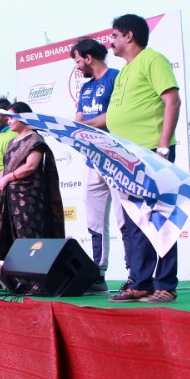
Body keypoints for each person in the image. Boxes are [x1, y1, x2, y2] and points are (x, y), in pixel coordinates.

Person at [105, 14, 182, 304]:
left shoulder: (153, 59)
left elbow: (171, 100)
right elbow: (116, 114)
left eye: (114, 35)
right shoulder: (124, 71)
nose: (110, 41)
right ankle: (140, 283)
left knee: (159, 217)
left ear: (129, 36)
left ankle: (166, 284)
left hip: (152, 152)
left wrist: (163, 147)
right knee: (134, 220)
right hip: (126, 158)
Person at [0, 102, 66, 261]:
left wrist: (8, 178)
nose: (8, 121)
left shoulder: (35, 139)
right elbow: (6, 170)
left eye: (11, 118)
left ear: (23, 118)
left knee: (29, 236)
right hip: (10, 198)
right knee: (10, 236)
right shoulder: (13, 142)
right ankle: (16, 278)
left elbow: (31, 166)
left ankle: (35, 276)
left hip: (28, 197)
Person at [72, 36, 122, 295]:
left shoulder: (116, 77)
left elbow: (116, 115)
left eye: (78, 60)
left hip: (117, 159)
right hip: (92, 160)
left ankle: (136, 274)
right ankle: (98, 274)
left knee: (126, 218)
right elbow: (78, 119)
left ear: (88, 58)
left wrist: (84, 126)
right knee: (94, 221)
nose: (77, 66)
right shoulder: (86, 88)